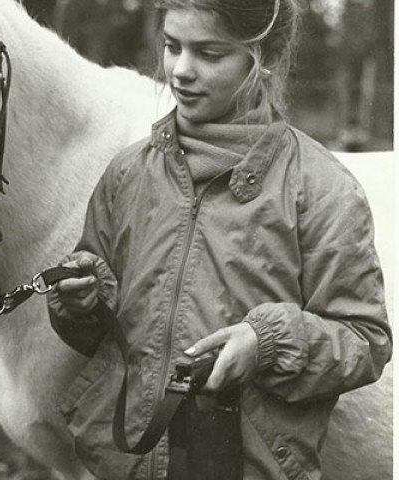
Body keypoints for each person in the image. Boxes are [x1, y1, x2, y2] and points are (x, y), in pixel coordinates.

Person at [47, 1, 392, 479]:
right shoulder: (128, 173)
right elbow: (99, 334)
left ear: (263, 57)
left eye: (209, 53)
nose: (181, 71)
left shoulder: (321, 188)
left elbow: (363, 340)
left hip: (245, 465)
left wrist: (266, 343)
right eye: (172, 47)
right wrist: (84, 303)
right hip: (123, 461)